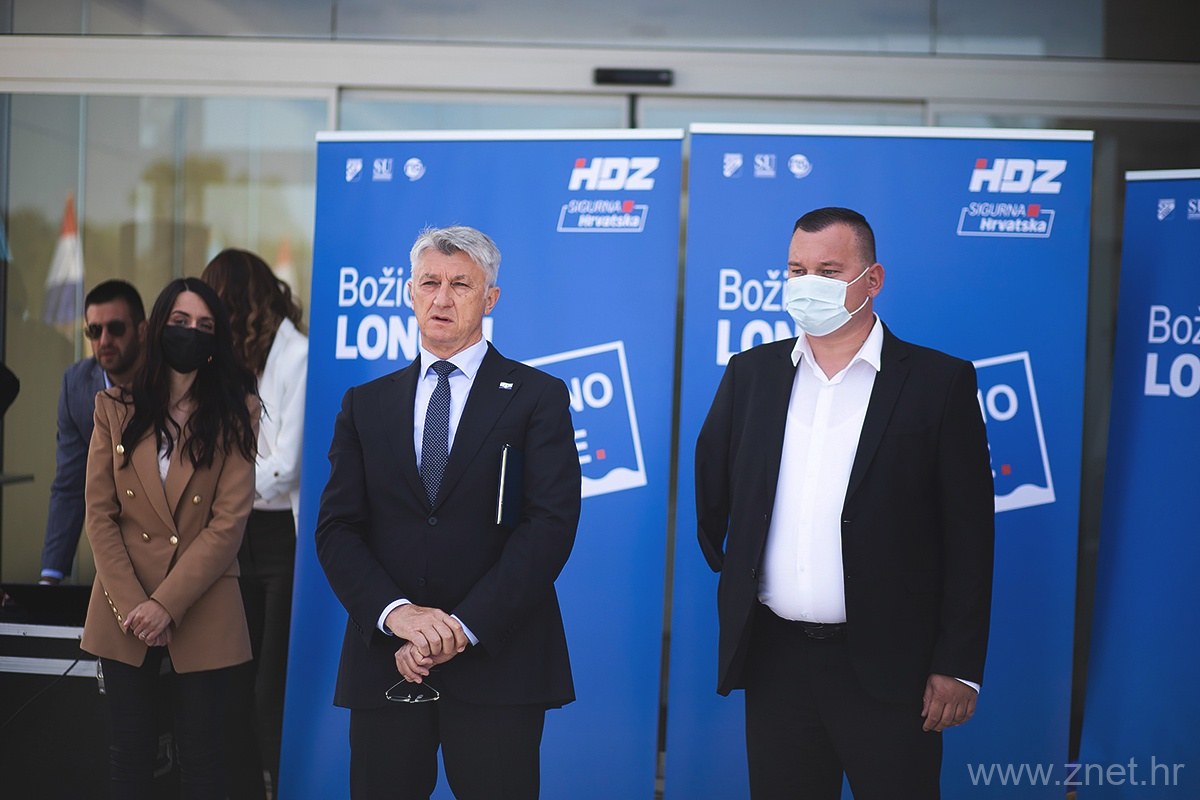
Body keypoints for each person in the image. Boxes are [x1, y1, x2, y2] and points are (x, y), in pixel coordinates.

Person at [694, 207, 995, 799]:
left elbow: (970, 537)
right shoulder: (752, 373)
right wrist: (741, 574)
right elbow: (714, 489)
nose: (808, 285)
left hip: (894, 667)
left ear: (872, 279)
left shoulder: (938, 383)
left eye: (828, 272)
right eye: (796, 270)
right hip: (776, 660)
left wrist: (957, 664)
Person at [316, 225, 581, 800]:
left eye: (460, 284)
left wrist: (459, 628)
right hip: (388, 663)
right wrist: (399, 617)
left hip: (498, 667)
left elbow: (549, 526)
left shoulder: (538, 397)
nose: (442, 298)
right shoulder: (364, 404)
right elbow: (337, 529)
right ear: (409, 293)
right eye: (429, 282)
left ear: (491, 298)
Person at [81, 277, 259, 798]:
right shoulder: (113, 407)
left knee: (203, 764)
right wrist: (135, 605)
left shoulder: (237, 411)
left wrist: (166, 605)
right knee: (129, 760)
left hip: (202, 602)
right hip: (124, 606)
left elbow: (227, 524)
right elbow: (99, 515)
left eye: (204, 325)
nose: (190, 333)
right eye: (180, 322)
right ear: (158, 327)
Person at [202, 248, 308, 799]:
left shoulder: (297, 357)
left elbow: (287, 466)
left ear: (238, 304)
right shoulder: (236, 365)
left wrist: (225, 484)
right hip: (239, 536)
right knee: (235, 686)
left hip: (282, 541)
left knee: (272, 691)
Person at [40, 279, 146, 584]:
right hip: (114, 544)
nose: (104, 340)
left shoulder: (168, 378)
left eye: (116, 328)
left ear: (142, 330)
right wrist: (49, 577)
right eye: (94, 331)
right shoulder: (76, 384)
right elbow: (71, 485)